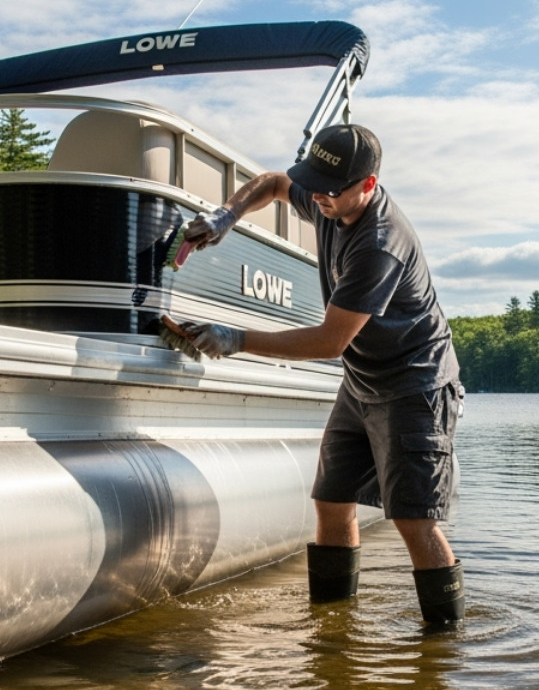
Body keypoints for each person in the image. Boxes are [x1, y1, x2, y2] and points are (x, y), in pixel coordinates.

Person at [160, 124, 465, 624]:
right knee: (331, 500)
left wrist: (237, 339)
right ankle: (332, 628)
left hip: (416, 385)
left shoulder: (380, 245)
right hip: (363, 383)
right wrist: (226, 216)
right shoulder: (328, 194)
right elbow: (276, 183)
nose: (318, 196)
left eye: (331, 189)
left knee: (413, 519)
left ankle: (444, 645)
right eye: (316, 184)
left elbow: (330, 341)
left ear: (366, 187)